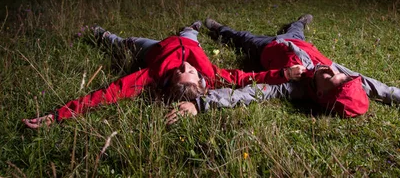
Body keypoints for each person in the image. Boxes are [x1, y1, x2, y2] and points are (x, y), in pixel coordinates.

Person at [166, 16, 400, 137]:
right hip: (299, 41)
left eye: (331, 78)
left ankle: (218, 28)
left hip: (269, 49)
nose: (333, 70)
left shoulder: (292, 87)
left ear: (319, 95)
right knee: (297, 28)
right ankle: (299, 21)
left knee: (244, 38)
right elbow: (387, 91)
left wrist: (201, 105)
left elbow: (252, 92)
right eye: (338, 74)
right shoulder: (341, 75)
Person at [23, 22, 304, 129]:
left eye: (180, 73)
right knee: (189, 34)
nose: (185, 68)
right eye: (189, 73)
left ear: (168, 81)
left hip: (154, 49)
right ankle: (190, 28)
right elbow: (245, 78)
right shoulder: (212, 76)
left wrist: (59, 115)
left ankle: (102, 34)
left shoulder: (151, 74)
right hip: (185, 40)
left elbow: (106, 95)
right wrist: (283, 73)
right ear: (201, 82)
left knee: (127, 43)